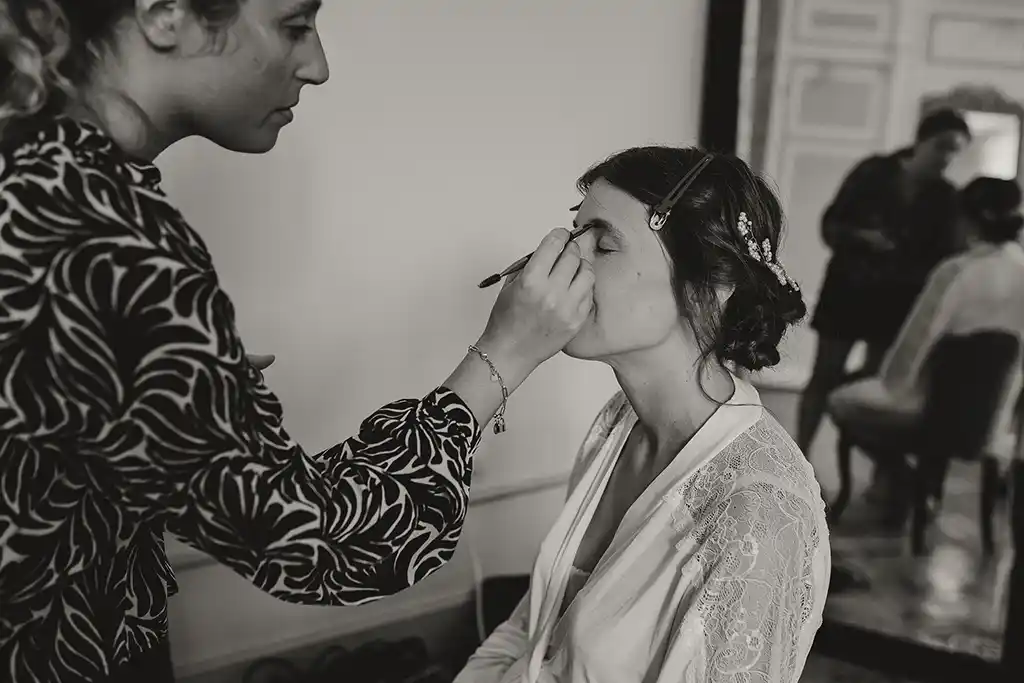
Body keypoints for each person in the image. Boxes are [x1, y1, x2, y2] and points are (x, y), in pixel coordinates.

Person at [0, 2, 597, 682]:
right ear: (164, 14)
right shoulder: (102, 230)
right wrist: (504, 354)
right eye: (293, 25)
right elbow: (322, 542)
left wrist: (181, 387)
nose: (318, 65)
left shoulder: (33, 170)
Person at [453, 147, 830, 683]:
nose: (562, 266)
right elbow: (534, 629)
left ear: (709, 287)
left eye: (604, 245)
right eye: (573, 237)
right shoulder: (618, 424)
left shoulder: (757, 511)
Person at [827, 177, 1024, 518]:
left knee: (842, 400)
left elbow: (913, 347)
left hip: (934, 411)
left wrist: (891, 385)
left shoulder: (956, 271)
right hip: (995, 418)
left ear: (966, 220)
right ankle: (926, 489)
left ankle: (905, 480)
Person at [797, 109, 971, 466]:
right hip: (848, 290)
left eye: (956, 151)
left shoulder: (946, 197)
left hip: (897, 303)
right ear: (921, 140)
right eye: (942, 146)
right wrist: (864, 238)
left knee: (876, 382)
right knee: (824, 374)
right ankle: (799, 458)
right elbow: (831, 225)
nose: (947, 158)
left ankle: (881, 472)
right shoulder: (872, 172)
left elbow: (946, 257)